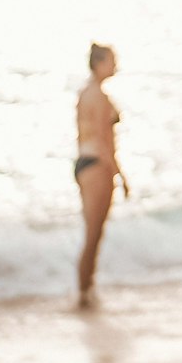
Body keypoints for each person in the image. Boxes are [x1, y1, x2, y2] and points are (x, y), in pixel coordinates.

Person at [74, 42, 129, 307]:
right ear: (99, 63)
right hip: (97, 165)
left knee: (92, 233)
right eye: (111, 60)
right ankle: (85, 292)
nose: (115, 65)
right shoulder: (98, 96)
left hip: (84, 163)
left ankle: (87, 288)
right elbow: (104, 140)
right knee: (94, 234)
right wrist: (119, 174)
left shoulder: (85, 93)